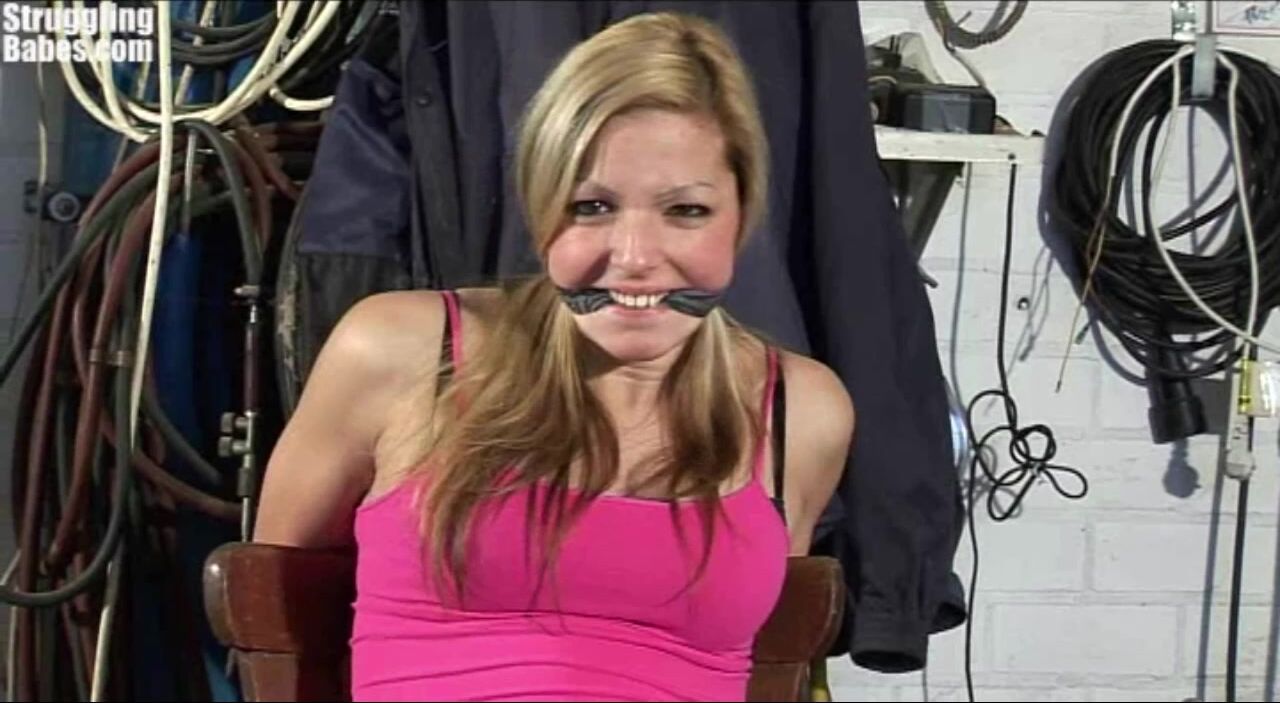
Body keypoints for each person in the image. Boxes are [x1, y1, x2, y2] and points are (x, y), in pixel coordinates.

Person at [253, 11, 855, 702]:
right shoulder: (400, 350)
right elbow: (272, 620)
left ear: (742, 215)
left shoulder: (800, 411)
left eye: (686, 211)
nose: (635, 257)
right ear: (540, 209)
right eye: (592, 207)